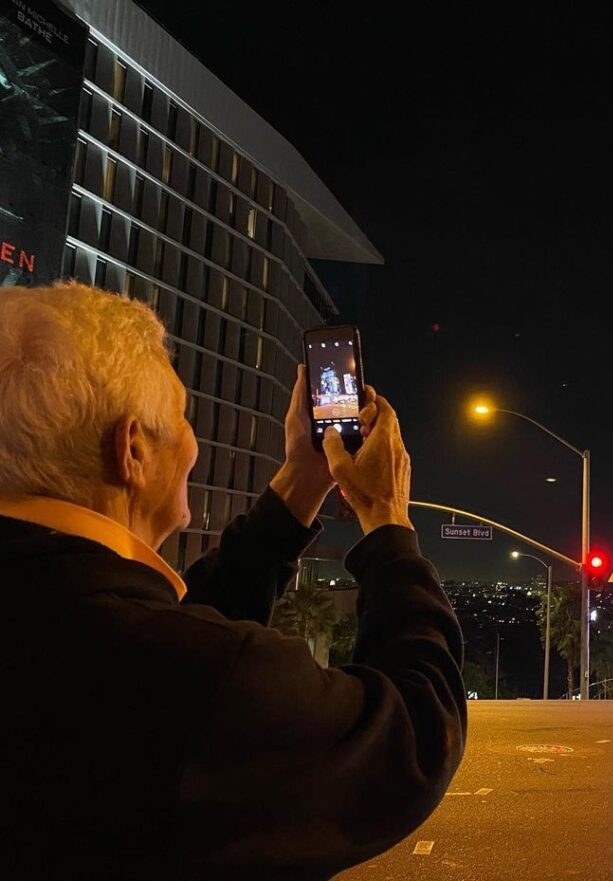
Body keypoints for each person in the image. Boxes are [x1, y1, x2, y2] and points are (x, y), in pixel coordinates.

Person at [0, 281, 467, 880]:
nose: (192, 442)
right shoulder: (185, 677)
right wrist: (387, 520)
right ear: (133, 452)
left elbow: (175, 629)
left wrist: (301, 481)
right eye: (181, 417)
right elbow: (414, 734)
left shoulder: (54, 616)